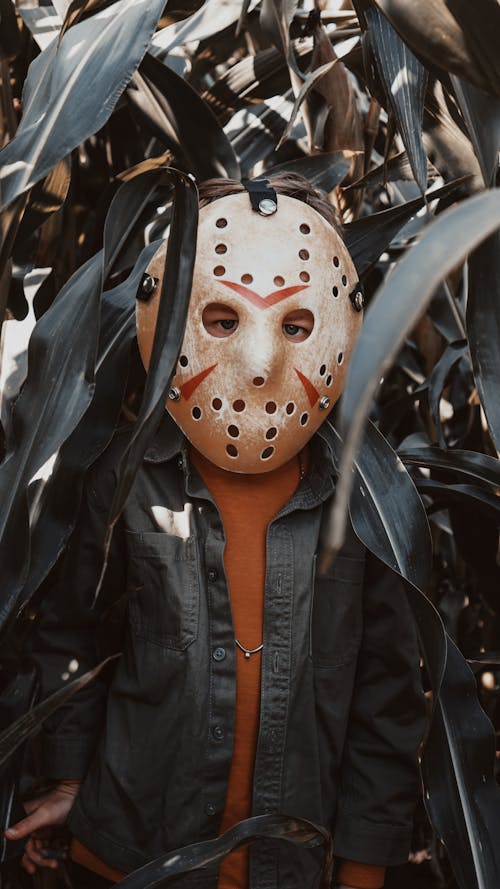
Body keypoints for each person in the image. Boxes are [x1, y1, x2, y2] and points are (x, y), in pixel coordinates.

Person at [5, 174, 426, 889]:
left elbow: (387, 696)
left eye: (295, 326)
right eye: (222, 320)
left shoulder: (369, 502)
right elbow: (73, 635)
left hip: (288, 867)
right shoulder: (128, 477)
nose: (259, 365)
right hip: (130, 859)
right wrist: (70, 776)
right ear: (173, 315)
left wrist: (361, 868)